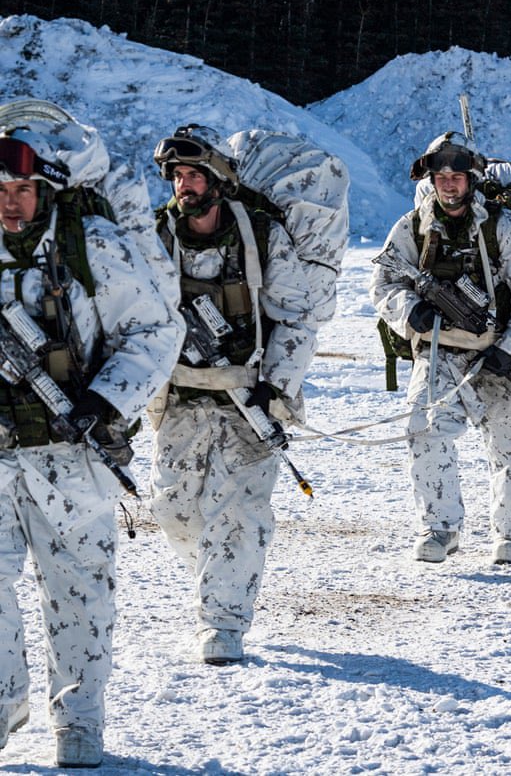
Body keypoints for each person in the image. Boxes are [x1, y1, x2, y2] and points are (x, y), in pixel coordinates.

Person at [0, 107, 182, 767]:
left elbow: (156, 330)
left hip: (70, 453)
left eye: (23, 190)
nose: (10, 203)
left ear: (46, 188)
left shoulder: (89, 244)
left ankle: (77, 720)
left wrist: (106, 403)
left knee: (78, 594)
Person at [147, 125, 317, 665]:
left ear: (218, 180)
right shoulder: (155, 236)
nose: (183, 185)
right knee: (173, 509)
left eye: (193, 175)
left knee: (238, 513)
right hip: (181, 395)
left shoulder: (261, 236)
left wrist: (277, 384)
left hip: (249, 396)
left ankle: (222, 622)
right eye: (177, 176)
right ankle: (217, 573)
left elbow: (297, 317)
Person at [370, 132, 511, 566]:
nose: (448, 184)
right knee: (424, 432)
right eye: (441, 177)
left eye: (457, 176)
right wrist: (410, 311)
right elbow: (384, 283)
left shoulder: (505, 227)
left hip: (499, 353)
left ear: (472, 179)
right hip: (440, 352)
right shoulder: (412, 227)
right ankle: (439, 528)